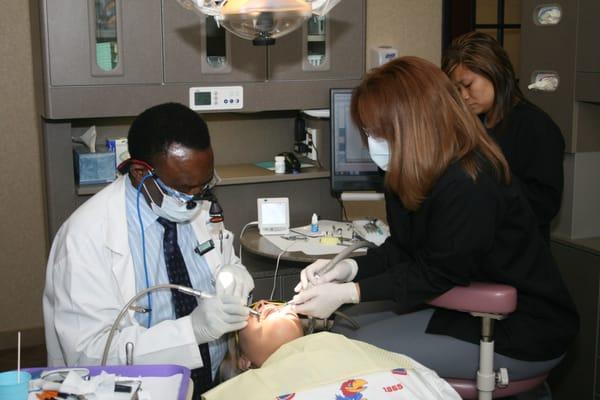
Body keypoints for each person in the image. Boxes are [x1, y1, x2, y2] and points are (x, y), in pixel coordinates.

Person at [291, 57, 578, 383]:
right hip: (458, 306)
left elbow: (439, 272)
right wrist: (345, 269)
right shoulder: (407, 173)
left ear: (412, 125)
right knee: (342, 328)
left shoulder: (470, 180)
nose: (372, 141)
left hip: (519, 326)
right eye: (368, 131)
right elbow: (403, 249)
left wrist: (350, 292)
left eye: (378, 131)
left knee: (353, 351)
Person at [43, 102, 254, 398]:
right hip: (137, 391)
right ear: (142, 173)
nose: (194, 200)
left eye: (203, 186)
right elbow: (90, 357)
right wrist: (190, 331)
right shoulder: (85, 237)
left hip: (212, 385)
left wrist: (233, 273)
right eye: (184, 189)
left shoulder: (195, 203)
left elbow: (221, 255)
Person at [442, 31, 565, 243]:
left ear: (494, 71)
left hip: (519, 257)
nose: (463, 96)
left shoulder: (535, 126)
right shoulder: (476, 124)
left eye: (468, 85)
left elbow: (545, 205)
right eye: (457, 89)